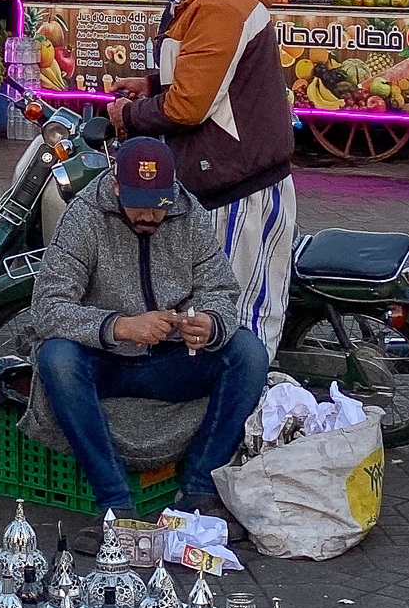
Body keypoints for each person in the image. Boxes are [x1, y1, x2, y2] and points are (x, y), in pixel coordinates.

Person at [33, 136, 268, 529]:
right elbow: (48, 307)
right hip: (105, 362)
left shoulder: (188, 215)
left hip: (172, 362)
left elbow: (222, 291)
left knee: (248, 351)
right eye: (138, 206)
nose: (149, 218)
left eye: (159, 207)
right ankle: (115, 503)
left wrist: (210, 323)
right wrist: (120, 327)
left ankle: (199, 490)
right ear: (115, 186)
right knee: (55, 357)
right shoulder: (83, 218)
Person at [108, 0, 296, 357]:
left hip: (240, 186)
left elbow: (190, 105)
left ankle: (249, 415)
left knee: (242, 316)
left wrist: (130, 117)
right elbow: (205, 72)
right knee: (211, 313)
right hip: (219, 180)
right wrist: (152, 84)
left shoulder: (220, 3)